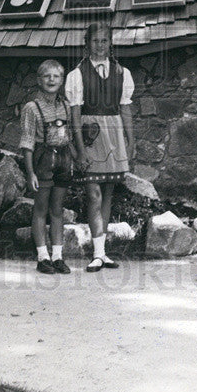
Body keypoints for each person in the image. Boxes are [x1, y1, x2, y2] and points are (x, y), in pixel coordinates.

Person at [66, 23, 135, 272]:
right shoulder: (77, 74)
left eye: (105, 41)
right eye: (95, 41)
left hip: (114, 134)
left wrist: (131, 139)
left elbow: (125, 108)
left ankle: (102, 253)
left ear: (110, 44)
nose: (100, 45)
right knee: (93, 192)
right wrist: (80, 150)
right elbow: (74, 114)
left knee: (107, 193)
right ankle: (96, 254)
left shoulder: (121, 72)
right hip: (90, 135)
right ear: (87, 44)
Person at [20, 59, 83, 274]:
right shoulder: (32, 108)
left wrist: (76, 158)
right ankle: (42, 257)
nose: (51, 80)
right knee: (40, 209)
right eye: (47, 76)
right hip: (43, 160)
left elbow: (70, 137)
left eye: (56, 76)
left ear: (62, 81)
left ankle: (57, 256)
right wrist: (30, 173)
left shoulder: (66, 105)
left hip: (63, 160)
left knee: (57, 209)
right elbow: (27, 142)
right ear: (39, 80)